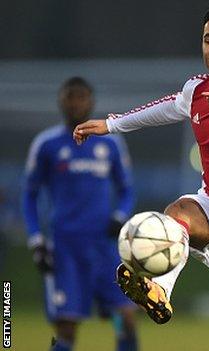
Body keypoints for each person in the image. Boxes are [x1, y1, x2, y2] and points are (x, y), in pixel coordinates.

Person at [73, 7, 209, 351]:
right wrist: (112, 124)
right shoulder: (197, 90)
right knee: (177, 213)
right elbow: (165, 107)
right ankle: (159, 290)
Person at [22, 77, 138, 351]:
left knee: (125, 318)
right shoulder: (47, 144)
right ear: (61, 101)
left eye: (81, 97)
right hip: (65, 249)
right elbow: (29, 195)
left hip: (104, 248)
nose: (76, 103)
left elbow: (127, 189)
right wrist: (36, 241)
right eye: (70, 97)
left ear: (91, 101)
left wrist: (119, 216)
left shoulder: (110, 143)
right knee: (67, 329)